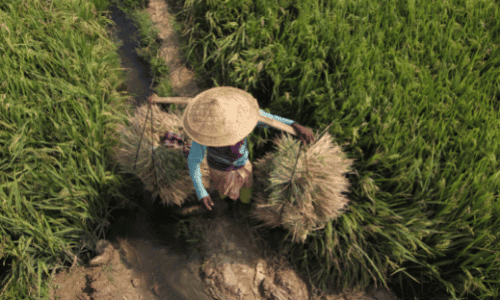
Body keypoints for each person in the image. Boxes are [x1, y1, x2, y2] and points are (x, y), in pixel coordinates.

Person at [183, 87, 315, 211]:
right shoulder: (203, 132)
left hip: (242, 163)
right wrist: (201, 191)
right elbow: (193, 161)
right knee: (224, 192)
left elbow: (271, 120)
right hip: (219, 170)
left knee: (247, 190)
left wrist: (293, 124)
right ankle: (227, 205)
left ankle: (243, 207)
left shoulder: (244, 114)